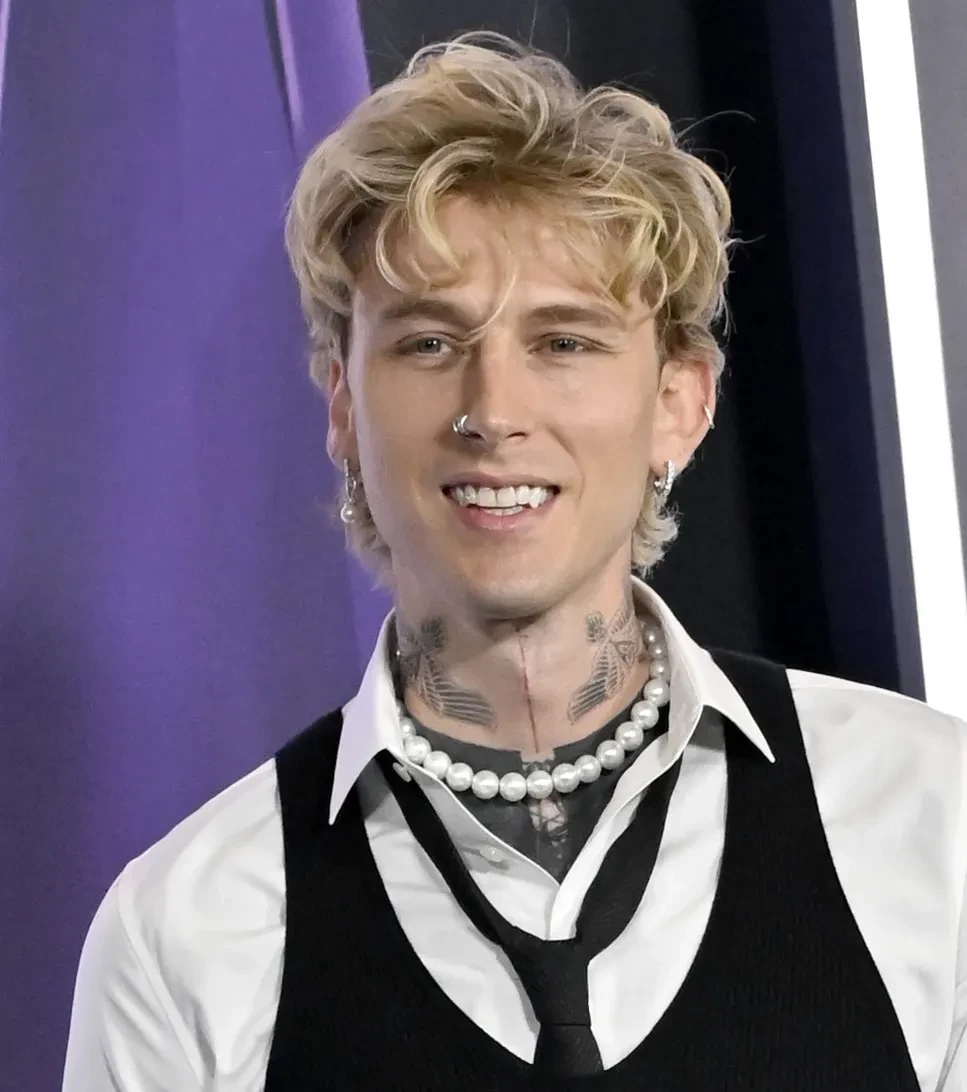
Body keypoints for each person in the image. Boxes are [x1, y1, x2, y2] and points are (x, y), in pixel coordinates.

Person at [62, 32, 967, 1091]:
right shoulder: (187, 932)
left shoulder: (927, 817)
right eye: (428, 344)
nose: (492, 413)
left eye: (563, 342)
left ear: (680, 402)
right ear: (343, 406)